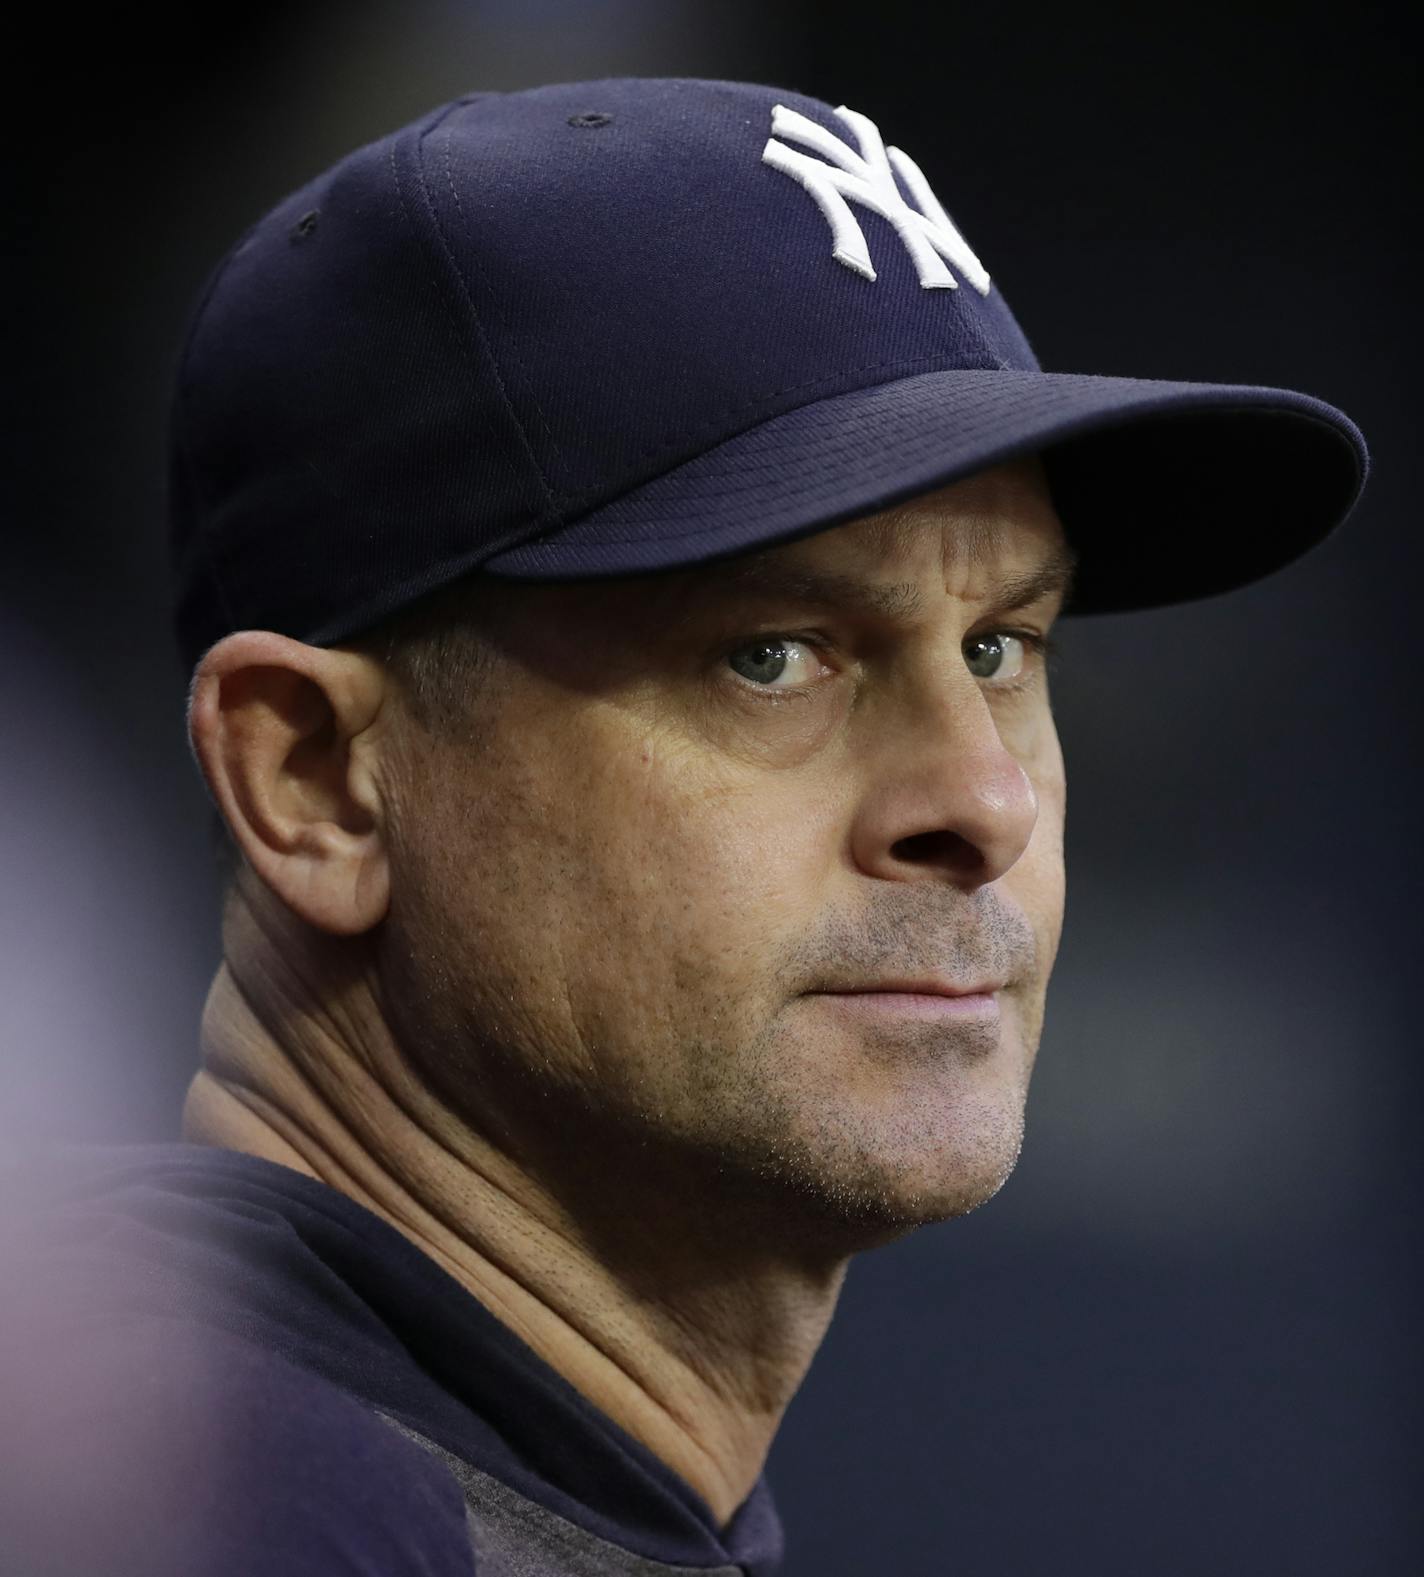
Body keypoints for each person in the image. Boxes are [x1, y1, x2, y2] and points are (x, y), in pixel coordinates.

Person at [0, 77, 1368, 1576]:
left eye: (1001, 646)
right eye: (772, 652)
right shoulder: (194, 1507)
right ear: (316, 779)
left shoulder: (480, 1479)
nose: (982, 803)